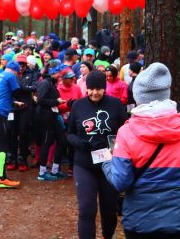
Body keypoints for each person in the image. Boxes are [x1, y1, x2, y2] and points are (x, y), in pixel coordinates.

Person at [102, 63, 180, 239]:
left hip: (140, 222)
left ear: (139, 96)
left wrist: (107, 163)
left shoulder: (127, 133)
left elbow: (121, 182)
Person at [67, 71, 127, 239]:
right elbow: (69, 133)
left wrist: (115, 146)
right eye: (91, 88)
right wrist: (81, 144)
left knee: (109, 210)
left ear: (104, 88)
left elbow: (125, 131)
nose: (94, 92)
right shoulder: (78, 105)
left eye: (98, 89)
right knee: (87, 209)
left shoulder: (115, 105)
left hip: (109, 164)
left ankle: (109, 235)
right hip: (84, 164)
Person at [0, 61, 23, 188]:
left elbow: (1, 95)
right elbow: (17, 91)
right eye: (18, 72)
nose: (18, 75)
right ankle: (2, 178)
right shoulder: (10, 76)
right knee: (3, 143)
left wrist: (14, 103)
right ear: (15, 70)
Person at [36, 63, 67, 181]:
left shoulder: (51, 83)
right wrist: (56, 101)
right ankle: (42, 172)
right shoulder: (45, 83)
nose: (60, 75)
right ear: (53, 72)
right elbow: (41, 100)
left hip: (53, 116)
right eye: (58, 72)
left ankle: (55, 170)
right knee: (46, 143)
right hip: (45, 117)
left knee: (62, 141)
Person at [7, 55, 37, 171]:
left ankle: (22, 159)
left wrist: (21, 87)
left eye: (23, 65)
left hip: (26, 107)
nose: (21, 67)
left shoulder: (31, 74)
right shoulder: (10, 74)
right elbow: (8, 89)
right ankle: (12, 158)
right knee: (11, 133)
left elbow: (35, 87)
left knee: (24, 133)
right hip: (13, 107)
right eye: (19, 65)